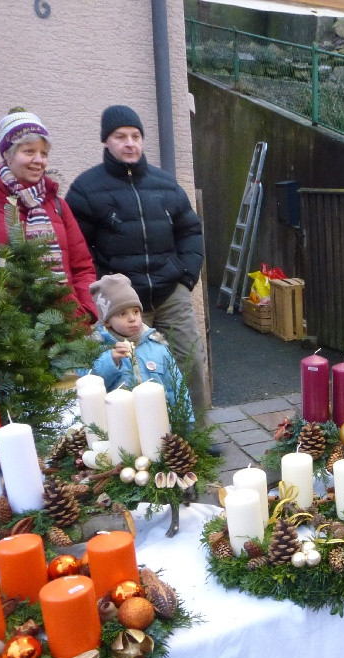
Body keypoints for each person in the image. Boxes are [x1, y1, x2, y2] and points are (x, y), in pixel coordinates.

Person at [66, 105, 210, 422]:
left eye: (135, 136)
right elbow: (76, 247)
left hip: (169, 291)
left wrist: (185, 276)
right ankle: (136, 439)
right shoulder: (85, 189)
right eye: (120, 137)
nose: (129, 143)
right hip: (120, 302)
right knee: (129, 369)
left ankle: (195, 431)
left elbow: (189, 229)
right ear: (107, 141)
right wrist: (100, 289)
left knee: (189, 360)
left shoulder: (166, 184)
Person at [0, 109, 98, 323]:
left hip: (63, 330)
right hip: (7, 335)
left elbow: (82, 267)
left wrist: (84, 314)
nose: (38, 160)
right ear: (7, 154)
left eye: (44, 153)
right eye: (29, 151)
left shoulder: (57, 205)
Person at [88, 273, 192, 417]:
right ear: (106, 321)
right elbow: (90, 386)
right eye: (122, 314)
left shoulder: (157, 346)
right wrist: (110, 361)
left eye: (136, 311)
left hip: (158, 423)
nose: (132, 319)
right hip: (118, 425)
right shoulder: (96, 349)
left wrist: (185, 421)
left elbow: (176, 386)